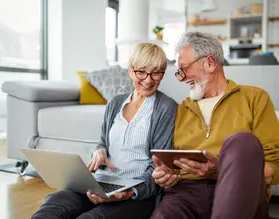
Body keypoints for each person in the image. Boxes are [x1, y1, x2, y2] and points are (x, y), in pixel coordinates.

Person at [31, 42, 178, 219]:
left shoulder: (166, 107)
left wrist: (127, 193)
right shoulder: (115, 102)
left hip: (136, 194)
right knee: (55, 203)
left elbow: (158, 165)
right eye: (142, 72)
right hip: (101, 182)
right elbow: (103, 142)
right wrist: (100, 151)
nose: (148, 79)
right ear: (131, 71)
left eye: (156, 73)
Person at [150, 31, 279, 219]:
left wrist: (222, 169)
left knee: (241, 142)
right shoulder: (181, 109)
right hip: (187, 195)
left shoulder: (255, 98)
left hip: (241, 190)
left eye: (184, 68)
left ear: (210, 63)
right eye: (179, 71)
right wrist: (166, 175)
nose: (181, 77)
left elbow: (274, 167)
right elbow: (174, 166)